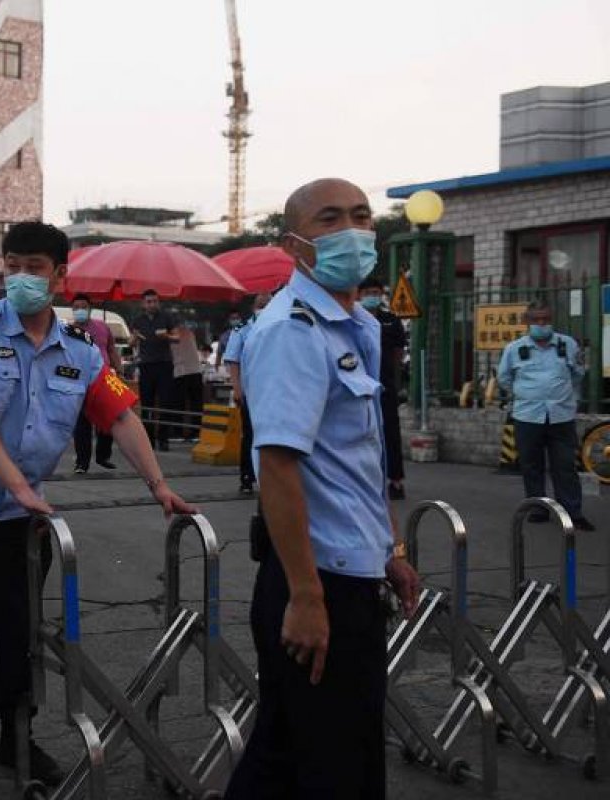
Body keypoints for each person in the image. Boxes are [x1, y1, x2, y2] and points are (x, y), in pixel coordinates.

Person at [0, 222, 196, 796]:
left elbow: (121, 416)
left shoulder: (83, 352)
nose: (21, 277)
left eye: (34, 267)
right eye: (12, 265)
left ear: (60, 275)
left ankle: (16, 738)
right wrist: (17, 485)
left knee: (19, 639)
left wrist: (159, 485)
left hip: (17, 523)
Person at [225, 179, 421, 800]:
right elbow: (278, 468)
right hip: (316, 579)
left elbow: (358, 459)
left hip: (349, 571)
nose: (351, 231)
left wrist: (390, 549)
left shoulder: (356, 325)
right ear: (294, 245)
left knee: (287, 757)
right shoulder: (294, 330)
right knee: (334, 767)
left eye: (361, 217)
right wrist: (307, 597)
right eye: (329, 219)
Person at [497, 301, 594, 531]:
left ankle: (572, 512)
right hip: (527, 417)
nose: (541, 324)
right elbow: (504, 379)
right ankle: (539, 508)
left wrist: (559, 393)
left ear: (552, 320)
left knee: (565, 466)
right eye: (536, 319)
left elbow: (578, 373)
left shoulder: (567, 344)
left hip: (561, 416)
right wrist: (527, 393)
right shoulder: (514, 349)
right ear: (527, 322)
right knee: (532, 466)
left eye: (546, 319)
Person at [358, 276, 408, 499]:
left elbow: (398, 352)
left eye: (376, 293)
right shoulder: (352, 319)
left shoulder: (390, 321)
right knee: (362, 433)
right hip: (359, 386)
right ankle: (366, 480)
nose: (372, 296)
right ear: (359, 295)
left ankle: (395, 481)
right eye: (368, 293)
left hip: (385, 385)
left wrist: (392, 377)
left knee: (390, 433)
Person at [223, 292, 272, 495]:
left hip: (272, 390)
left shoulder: (278, 325)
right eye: (261, 300)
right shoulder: (242, 329)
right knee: (250, 434)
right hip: (250, 392)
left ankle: (269, 477)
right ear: (254, 306)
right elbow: (233, 360)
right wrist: (237, 389)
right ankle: (247, 477)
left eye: (268, 299)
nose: (265, 301)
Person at [70, 293, 122, 472]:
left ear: (90, 308)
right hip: (80, 380)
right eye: (76, 308)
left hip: (104, 377)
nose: (80, 310)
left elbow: (111, 349)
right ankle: (82, 462)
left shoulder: (102, 327)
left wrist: (119, 370)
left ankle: (103, 456)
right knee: (82, 423)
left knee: (108, 418)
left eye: (83, 307)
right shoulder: (68, 330)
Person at [130, 289, 180, 451]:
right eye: (149, 301)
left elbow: (177, 337)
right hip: (146, 365)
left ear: (159, 302)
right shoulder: (138, 320)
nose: (152, 304)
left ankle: (163, 439)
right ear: (143, 304)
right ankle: (149, 439)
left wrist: (167, 337)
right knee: (147, 403)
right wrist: (135, 337)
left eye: (155, 301)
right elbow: (131, 343)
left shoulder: (167, 317)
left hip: (164, 364)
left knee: (165, 402)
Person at [171, 321, 204, 442]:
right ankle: (196, 433)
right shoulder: (189, 332)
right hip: (195, 370)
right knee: (196, 404)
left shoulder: (170, 334)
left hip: (180, 371)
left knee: (179, 404)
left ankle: (178, 433)